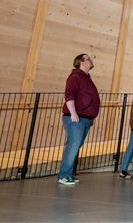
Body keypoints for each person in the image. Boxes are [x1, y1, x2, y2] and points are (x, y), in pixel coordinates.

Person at [58, 53, 100, 186]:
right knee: (72, 146)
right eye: (88, 58)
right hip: (76, 118)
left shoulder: (86, 78)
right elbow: (69, 95)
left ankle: (68, 174)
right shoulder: (75, 76)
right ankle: (64, 175)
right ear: (82, 62)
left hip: (85, 119)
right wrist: (73, 113)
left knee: (76, 146)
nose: (91, 60)